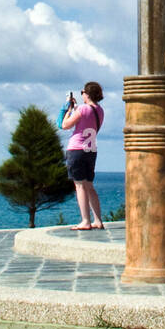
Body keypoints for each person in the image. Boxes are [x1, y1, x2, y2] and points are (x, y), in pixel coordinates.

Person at [61, 82, 105, 230]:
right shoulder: (100, 111)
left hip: (77, 150)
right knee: (89, 186)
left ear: (86, 94)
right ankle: (97, 220)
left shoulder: (82, 109)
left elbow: (65, 125)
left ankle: (85, 220)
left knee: (79, 186)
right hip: (91, 150)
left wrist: (69, 110)